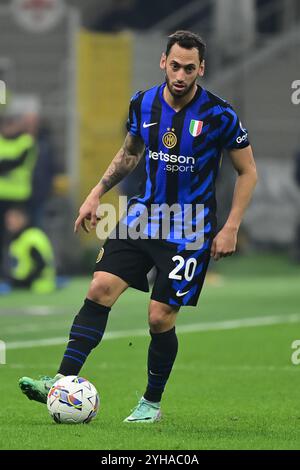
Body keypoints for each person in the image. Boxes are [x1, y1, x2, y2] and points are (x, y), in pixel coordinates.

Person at [19, 31, 258, 423]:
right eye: (176, 65)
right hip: (141, 219)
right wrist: (96, 192)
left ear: (202, 69)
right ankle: (61, 381)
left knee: (158, 317)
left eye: (190, 68)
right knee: (98, 288)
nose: (181, 75)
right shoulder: (142, 103)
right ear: (163, 62)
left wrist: (230, 226)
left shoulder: (220, 114)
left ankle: (150, 403)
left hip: (190, 228)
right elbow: (130, 154)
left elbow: (247, 171)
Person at [2, 206, 56, 294]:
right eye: (7, 218)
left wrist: (24, 282)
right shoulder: (19, 237)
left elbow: (41, 264)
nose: (8, 221)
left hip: (37, 288)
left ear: (22, 219)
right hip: (28, 287)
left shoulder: (31, 238)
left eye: (12, 218)